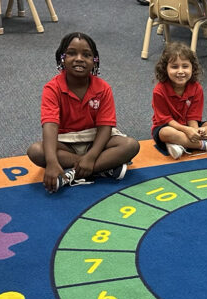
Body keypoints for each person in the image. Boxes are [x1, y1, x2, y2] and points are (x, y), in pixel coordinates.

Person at [28, 32, 141, 193]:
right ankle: (102, 168)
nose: (79, 58)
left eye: (86, 55)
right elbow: (50, 125)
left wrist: (92, 155)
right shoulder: (52, 88)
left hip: (95, 139)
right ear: (62, 58)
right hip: (66, 142)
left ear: (95, 61)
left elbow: (105, 126)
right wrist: (52, 161)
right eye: (72, 53)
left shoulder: (103, 88)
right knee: (36, 151)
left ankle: (73, 173)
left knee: (130, 145)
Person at [151, 42, 207, 160]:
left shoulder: (196, 88)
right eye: (174, 67)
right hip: (167, 126)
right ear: (165, 68)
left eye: (185, 66)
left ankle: (181, 144)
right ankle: (205, 145)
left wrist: (195, 131)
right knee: (167, 133)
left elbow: (193, 116)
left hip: (189, 125)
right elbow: (165, 119)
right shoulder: (159, 90)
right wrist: (187, 130)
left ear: (192, 67)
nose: (180, 71)